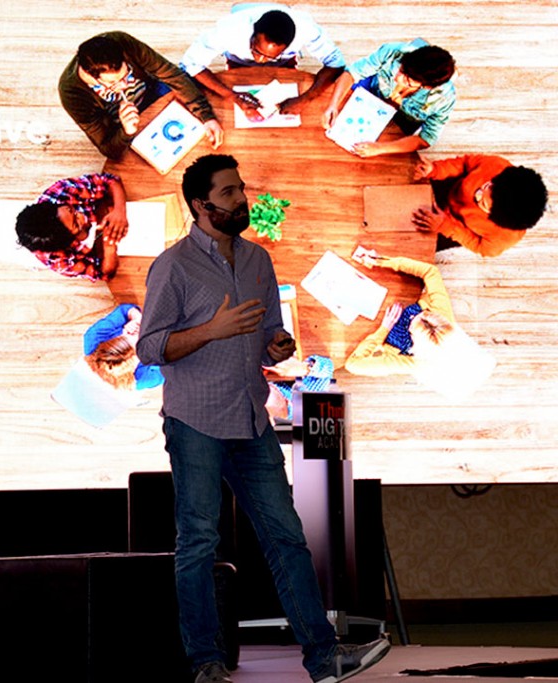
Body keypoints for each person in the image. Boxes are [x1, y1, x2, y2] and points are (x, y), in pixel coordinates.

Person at [136, 154, 390, 683]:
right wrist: (212, 329)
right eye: (228, 193)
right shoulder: (173, 265)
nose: (241, 200)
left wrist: (278, 345)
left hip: (251, 418)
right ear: (201, 205)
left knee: (287, 538)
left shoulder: (258, 259)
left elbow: (272, 334)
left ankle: (324, 658)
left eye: (240, 189)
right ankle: (205, 662)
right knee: (198, 543)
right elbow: (151, 348)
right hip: (196, 420)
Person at [345, 253, 496, 398]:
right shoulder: (442, 312)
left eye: (412, 325)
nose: (412, 316)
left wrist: (384, 329)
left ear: (416, 344)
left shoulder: (416, 363)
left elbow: (353, 365)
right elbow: (431, 271)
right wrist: (381, 261)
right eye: (424, 314)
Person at [59, 31, 223, 159]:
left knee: (195, 94)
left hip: (152, 91)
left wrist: (206, 116)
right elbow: (108, 148)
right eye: (114, 83)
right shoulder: (72, 94)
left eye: (127, 75)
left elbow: (171, 74)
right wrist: (126, 131)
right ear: (91, 77)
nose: (124, 85)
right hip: (121, 123)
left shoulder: (122, 42)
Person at [179, 4, 345, 119]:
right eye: (256, 50)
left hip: (283, 63)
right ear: (252, 31)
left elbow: (336, 63)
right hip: (238, 61)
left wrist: (306, 98)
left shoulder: (306, 29)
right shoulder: (229, 30)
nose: (260, 60)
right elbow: (190, 64)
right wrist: (232, 96)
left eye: (269, 56)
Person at [322, 39, 456, 157]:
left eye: (408, 81)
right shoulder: (394, 52)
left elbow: (426, 138)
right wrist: (333, 105)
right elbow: (353, 72)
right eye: (402, 70)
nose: (398, 78)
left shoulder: (443, 100)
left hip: (402, 120)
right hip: (372, 90)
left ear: (427, 87)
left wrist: (380, 148)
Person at [410, 154, 549, 257]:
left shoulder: (505, 236)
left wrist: (446, 227)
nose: (477, 195)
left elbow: (479, 245)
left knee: (413, 246)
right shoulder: (496, 165)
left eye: (482, 203)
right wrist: (435, 169)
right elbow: (464, 164)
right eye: (487, 186)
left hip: (456, 228)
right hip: (449, 187)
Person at [14, 172, 129, 281]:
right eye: (76, 224)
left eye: (71, 210)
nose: (81, 216)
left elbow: (110, 180)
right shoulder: (61, 262)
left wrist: (120, 210)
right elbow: (103, 273)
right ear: (67, 242)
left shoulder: (61, 192)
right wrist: (109, 247)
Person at [84, 304, 163, 390]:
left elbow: (124, 310)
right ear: (135, 364)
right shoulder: (145, 379)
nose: (140, 332)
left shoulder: (94, 337)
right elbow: (172, 366)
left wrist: (136, 318)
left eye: (127, 334)